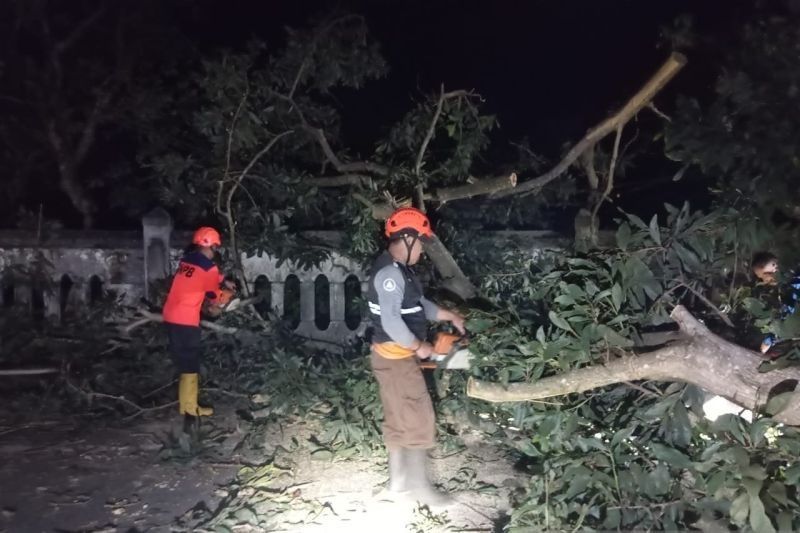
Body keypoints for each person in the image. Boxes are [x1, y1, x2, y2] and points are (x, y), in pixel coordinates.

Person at [367, 207, 466, 507]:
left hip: (391, 358)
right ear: (407, 239)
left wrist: (448, 315)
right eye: (421, 241)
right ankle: (421, 489)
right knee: (420, 417)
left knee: (398, 420)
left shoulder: (401, 272)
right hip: (396, 359)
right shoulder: (389, 276)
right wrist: (419, 346)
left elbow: (419, 305)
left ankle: (397, 486)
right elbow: (391, 322)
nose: (423, 248)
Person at [162, 227, 235, 417]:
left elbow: (199, 277)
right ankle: (191, 408)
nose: (215, 252)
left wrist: (223, 279)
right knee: (190, 363)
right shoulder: (209, 267)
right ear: (212, 246)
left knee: (183, 361)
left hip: (171, 314)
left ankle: (185, 407)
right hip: (186, 319)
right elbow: (213, 295)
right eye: (215, 248)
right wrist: (226, 295)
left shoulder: (187, 260)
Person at [751, 252, 800, 354]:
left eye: (765, 275)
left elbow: (789, 319)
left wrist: (769, 340)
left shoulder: (793, 284)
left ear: (775, 266)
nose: (765, 280)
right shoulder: (791, 282)